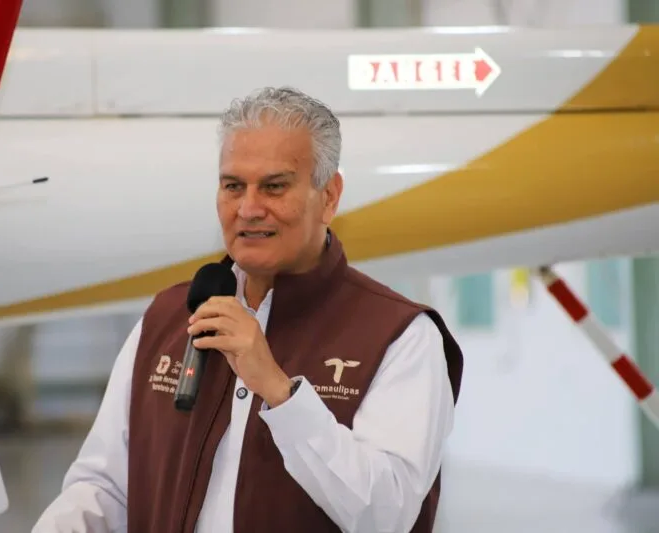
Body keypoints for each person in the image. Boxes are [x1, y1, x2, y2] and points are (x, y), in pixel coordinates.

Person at [32, 86, 464, 533]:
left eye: (274, 187)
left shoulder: (399, 335)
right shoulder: (168, 316)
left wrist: (279, 391)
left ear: (329, 196)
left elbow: (386, 514)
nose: (249, 209)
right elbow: (103, 488)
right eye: (233, 186)